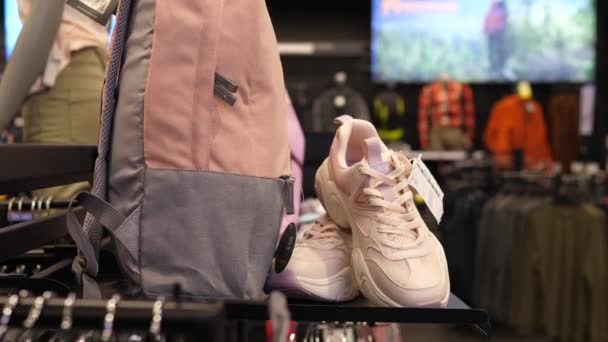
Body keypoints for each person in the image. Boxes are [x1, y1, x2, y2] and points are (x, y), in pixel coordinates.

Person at [17, 0, 109, 199]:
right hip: (95, 73)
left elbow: (45, 14)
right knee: (82, 213)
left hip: (62, 79)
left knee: (58, 211)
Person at [484, 0, 508, 76]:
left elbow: (502, 21)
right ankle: (493, 67)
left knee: (499, 51)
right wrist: (486, 29)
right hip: (491, 34)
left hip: (498, 34)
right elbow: (487, 21)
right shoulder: (491, 11)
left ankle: (500, 67)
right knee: (492, 51)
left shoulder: (500, 10)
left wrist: (499, 30)